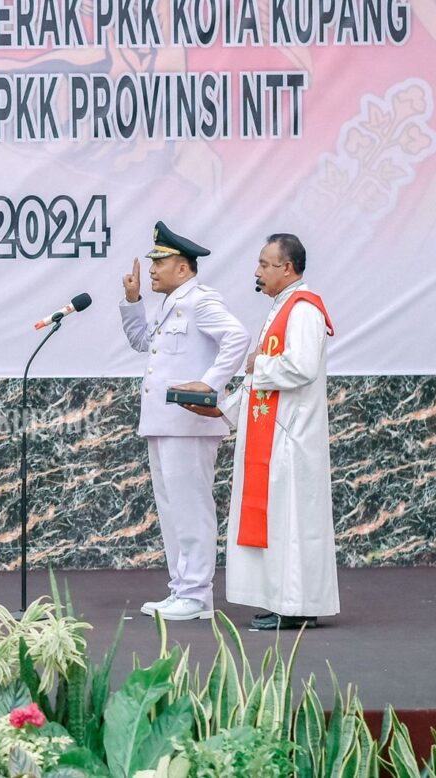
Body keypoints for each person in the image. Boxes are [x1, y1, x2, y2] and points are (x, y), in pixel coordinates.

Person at [177, 233, 339, 629]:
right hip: (276, 435)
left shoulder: (303, 310)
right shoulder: (283, 307)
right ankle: (284, 601)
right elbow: (263, 387)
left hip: (292, 440)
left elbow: (300, 368)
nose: (257, 271)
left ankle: (297, 607)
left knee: (293, 526)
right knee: (279, 527)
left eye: (265, 264)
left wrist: (256, 364)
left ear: (287, 268)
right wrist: (222, 408)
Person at [120, 222, 249, 620]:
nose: (153, 268)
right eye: (153, 261)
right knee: (172, 510)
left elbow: (237, 337)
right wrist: (132, 301)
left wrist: (208, 386)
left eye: (161, 261)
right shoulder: (170, 304)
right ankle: (182, 590)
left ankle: (196, 595)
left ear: (184, 268)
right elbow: (144, 343)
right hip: (163, 422)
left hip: (190, 422)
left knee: (191, 508)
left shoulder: (201, 301)